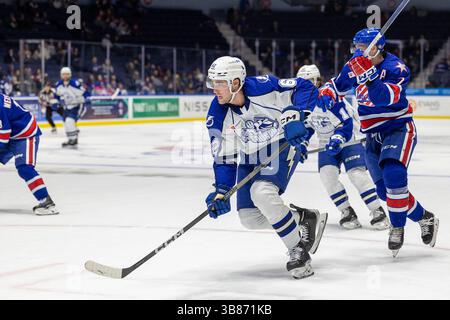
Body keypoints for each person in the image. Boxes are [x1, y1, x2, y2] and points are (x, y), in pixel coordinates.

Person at [317, 28, 439, 255]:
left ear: (376, 48)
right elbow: (337, 85)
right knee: (385, 193)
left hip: (397, 128)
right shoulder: (354, 65)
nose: (357, 51)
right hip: (372, 135)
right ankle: (424, 217)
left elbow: (383, 98)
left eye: (362, 48)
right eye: (356, 47)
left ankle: (397, 226)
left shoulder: (396, 68)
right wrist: (327, 92)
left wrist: (370, 76)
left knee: (394, 175)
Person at [204, 56, 328, 279]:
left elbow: (305, 87)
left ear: (235, 82)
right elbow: (224, 157)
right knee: (250, 218)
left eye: (220, 83)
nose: (215, 89)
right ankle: (303, 218)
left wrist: (295, 116)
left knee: (261, 192)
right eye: (213, 82)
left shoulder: (263, 87)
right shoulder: (217, 114)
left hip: (280, 143)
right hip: (251, 154)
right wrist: (221, 190)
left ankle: (297, 250)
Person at [298, 64, 389, 230]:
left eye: (310, 82)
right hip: (327, 142)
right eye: (302, 82)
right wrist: (302, 144)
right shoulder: (302, 103)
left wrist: (338, 139)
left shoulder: (328, 96)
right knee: (327, 176)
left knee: (356, 174)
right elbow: (309, 126)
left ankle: (377, 211)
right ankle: (346, 211)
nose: (305, 86)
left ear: (317, 81)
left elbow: (346, 124)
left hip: (350, 138)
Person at [0, 93, 59, 215]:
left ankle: (47, 203)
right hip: (12, 134)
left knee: (24, 167)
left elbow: (3, 134)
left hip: (25, 134)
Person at [55, 67, 89, 148]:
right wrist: (57, 102)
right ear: (61, 75)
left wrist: (83, 99)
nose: (65, 76)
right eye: (63, 74)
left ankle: (74, 139)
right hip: (68, 106)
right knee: (66, 123)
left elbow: (86, 93)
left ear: (70, 75)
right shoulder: (59, 84)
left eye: (67, 74)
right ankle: (71, 139)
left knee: (70, 121)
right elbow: (57, 95)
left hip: (78, 106)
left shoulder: (75, 83)